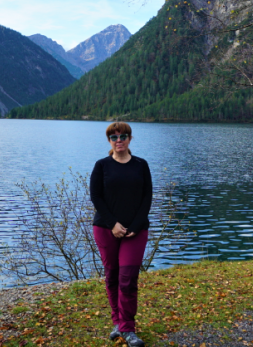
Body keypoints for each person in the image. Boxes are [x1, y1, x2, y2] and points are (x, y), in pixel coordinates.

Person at [90, 122, 153, 347]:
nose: (119, 140)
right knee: (112, 276)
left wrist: (136, 224)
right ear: (109, 141)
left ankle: (128, 328)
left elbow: (147, 197)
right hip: (106, 229)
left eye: (123, 136)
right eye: (114, 137)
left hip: (136, 231)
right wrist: (113, 224)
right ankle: (118, 322)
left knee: (128, 279)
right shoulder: (102, 166)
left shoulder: (140, 165)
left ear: (130, 138)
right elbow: (96, 196)